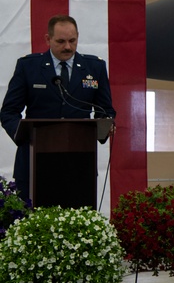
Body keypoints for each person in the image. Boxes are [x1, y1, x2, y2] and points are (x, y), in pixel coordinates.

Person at [1, 14, 116, 202]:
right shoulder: (29, 66)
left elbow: (105, 109)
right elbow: (8, 112)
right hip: (34, 160)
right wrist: (24, 135)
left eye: (72, 40)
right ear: (48, 39)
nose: (68, 47)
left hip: (79, 162)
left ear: (78, 36)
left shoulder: (94, 68)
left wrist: (106, 125)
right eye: (61, 41)